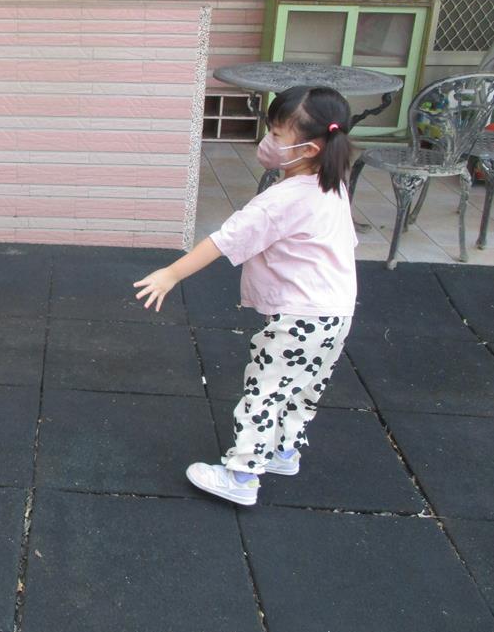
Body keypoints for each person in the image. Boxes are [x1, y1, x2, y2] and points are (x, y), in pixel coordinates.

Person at [134, 86, 357, 505]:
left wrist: (171, 274)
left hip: (302, 317)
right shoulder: (331, 185)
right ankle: (284, 452)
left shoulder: (283, 200)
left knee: (265, 391)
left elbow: (224, 240)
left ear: (309, 148)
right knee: (301, 389)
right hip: (336, 313)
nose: (267, 142)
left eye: (276, 134)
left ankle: (241, 477)